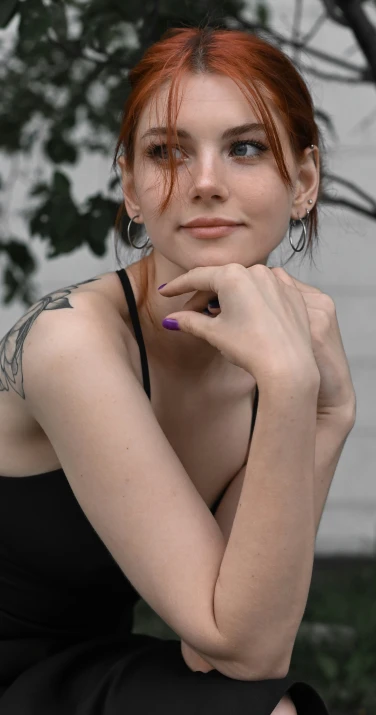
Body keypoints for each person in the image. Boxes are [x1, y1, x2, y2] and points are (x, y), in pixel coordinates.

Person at [0, 24, 347, 715]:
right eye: (167, 153)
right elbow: (242, 649)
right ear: (130, 186)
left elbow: (232, 640)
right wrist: (294, 389)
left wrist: (326, 415)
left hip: (79, 667)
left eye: (244, 147)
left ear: (303, 180)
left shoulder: (269, 351)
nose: (206, 183)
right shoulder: (73, 342)